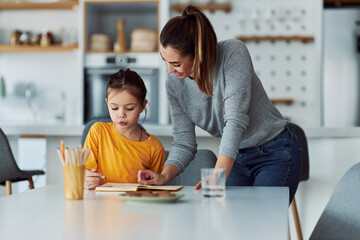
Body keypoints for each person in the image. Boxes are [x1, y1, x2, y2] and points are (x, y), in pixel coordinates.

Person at [138, 5, 301, 203]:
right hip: (237, 158)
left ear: (197, 54)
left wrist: (216, 177)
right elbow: (184, 141)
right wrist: (164, 176)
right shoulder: (174, 83)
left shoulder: (232, 53)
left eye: (176, 64)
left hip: (274, 152)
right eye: (165, 60)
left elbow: (234, 121)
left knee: (263, 225)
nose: (169, 70)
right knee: (227, 224)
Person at [84, 68, 165, 190]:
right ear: (107, 103)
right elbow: (84, 172)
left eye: (130, 108)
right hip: (99, 203)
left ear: (143, 105)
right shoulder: (98, 132)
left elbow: (153, 190)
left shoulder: (155, 148)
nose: (121, 114)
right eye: (114, 108)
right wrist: (84, 179)